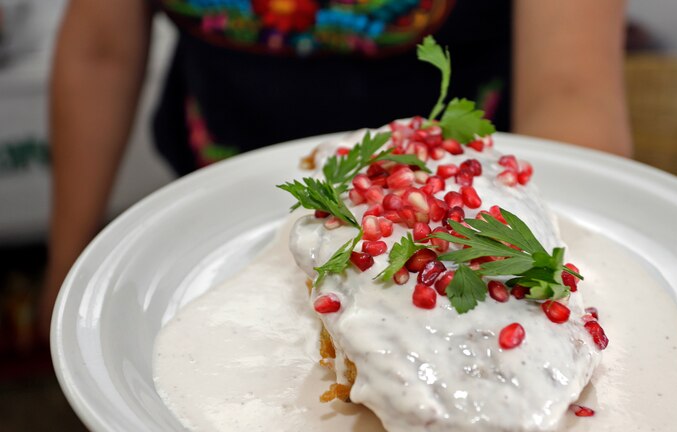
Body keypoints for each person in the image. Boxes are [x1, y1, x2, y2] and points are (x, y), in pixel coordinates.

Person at [39, 0, 631, 337]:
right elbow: (101, 49)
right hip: (216, 224)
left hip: (454, 232)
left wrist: (553, 305)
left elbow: (572, 91)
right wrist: (67, 270)